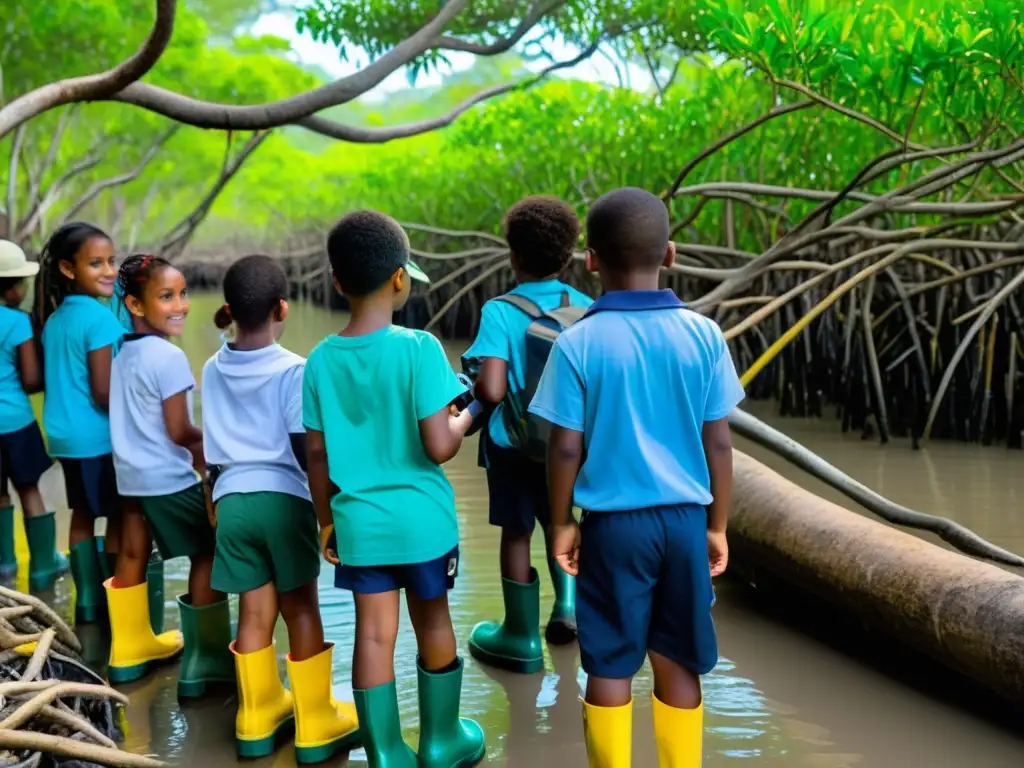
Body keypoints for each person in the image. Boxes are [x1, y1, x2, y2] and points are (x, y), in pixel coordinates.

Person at [528, 187, 745, 767]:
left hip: (613, 528)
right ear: (670, 253)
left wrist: (560, 523)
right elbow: (719, 441)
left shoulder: (576, 342)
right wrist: (717, 525)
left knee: (609, 662)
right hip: (683, 521)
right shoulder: (703, 335)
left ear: (591, 261)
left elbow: (564, 448)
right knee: (678, 659)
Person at [303, 210, 484, 767]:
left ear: (337, 282)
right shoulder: (420, 348)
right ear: (401, 279)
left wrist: (326, 520)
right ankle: (441, 741)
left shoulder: (318, 361)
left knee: (374, 636)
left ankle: (385, 753)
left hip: (358, 523)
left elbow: (316, 454)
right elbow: (439, 444)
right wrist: (469, 412)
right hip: (422, 524)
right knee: (433, 620)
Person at [203, 255, 360, 764]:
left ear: (229, 309)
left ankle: (256, 716)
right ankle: (315, 722)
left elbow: (211, 446)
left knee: (253, 611)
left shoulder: (211, 365)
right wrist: (327, 513)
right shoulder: (296, 368)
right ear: (283, 309)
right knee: (301, 609)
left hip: (231, 500)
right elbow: (303, 449)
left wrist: (213, 498)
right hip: (283, 500)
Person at [463, 196, 592, 673]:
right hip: (567, 447)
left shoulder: (499, 310)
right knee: (563, 521)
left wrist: (474, 384)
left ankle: (520, 638)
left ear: (512, 255)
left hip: (511, 449)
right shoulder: (587, 308)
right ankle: (568, 610)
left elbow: (492, 389)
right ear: (569, 255)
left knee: (517, 535)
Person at [107, 254, 232, 692]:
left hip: (129, 476)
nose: (180, 304)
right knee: (207, 553)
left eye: (182, 294)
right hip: (167, 478)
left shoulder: (123, 353)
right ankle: (205, 661)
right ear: (136, 306)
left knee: (133, 552)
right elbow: (180, 431)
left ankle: (126, 651)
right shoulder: (168, 356)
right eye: (166, 296)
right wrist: (215, 456)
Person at [35, 223, 125, 622]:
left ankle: (86, 600)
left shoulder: (54, 320)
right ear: (69, 270)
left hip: (64, 437)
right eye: (96, 263)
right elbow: (104, 392)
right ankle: (117, 602)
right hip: (97, 436)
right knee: (123, 516)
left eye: (111, 261)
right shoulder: (102, 320)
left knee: (83, 514)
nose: (108, 270)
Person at [0, 239, 67, 589]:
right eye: (21, 282)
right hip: (14, 422)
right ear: (9, 287)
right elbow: (29, 380)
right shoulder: (17, 323)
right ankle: (44, 565)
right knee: (29, 490)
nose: (25, 288)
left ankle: (5, 567)